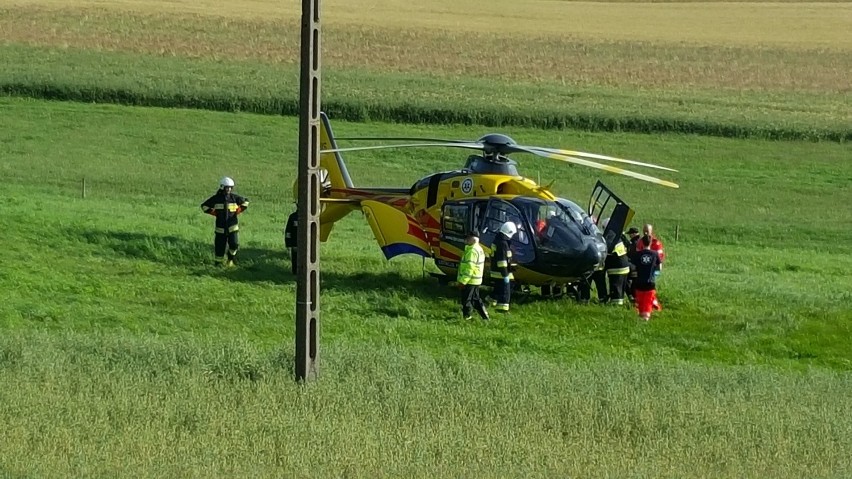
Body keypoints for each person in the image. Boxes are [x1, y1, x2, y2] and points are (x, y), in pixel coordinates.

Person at [200, 177, 249, 267]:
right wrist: (215, 213)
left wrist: (238, 210)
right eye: (227, 187)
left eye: (230, 187)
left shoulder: (234, 198)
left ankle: (230, 259)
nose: (229, 189)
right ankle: (218, 264)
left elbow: (246, 202)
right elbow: (204, 206)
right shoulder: (216, 198)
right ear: (222, 187)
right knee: (219, 248)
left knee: (234, 244)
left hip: (232, 226)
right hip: (220, 228)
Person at [457, 230, 489, 321]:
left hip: (470, 280)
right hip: (476, 280)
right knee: (476, 299)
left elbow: (469, 268)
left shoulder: (472, 251)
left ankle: (467, 317)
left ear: (473, 240)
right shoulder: (479, 249)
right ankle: (485, 316)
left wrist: (463, 281)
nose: (466, 240)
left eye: (468, 238)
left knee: (466, 300)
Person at [635, 223, 665, 310]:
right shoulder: (640, 241)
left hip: (653, 268)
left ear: (651, 231)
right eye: (644, 231)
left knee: (649, 285)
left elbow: (659, 257)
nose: (645, 233)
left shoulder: (656, 243)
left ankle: (651, 303)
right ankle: (647, 303)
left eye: (647, 231)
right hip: (643, 268)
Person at [490, 221, 518, 313]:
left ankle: (492, 300)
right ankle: (503, 308)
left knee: (498, 289)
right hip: (502, 272)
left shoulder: (498, 240)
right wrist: (505, 274)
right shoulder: (503, 244)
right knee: (506, 291)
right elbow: (502, 261)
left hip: (497, 271)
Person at [633, 233, 662, 321]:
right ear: (650, 243)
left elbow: (634, 267)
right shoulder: (655, 254)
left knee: (641, 301)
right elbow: (659, 268)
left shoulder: (637, 254)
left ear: (642, 243)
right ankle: (646, 318)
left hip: (639, 282)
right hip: (650, 281)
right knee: (648, 301)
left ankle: (642, 316)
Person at [605, 229, 631, 306]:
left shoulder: (609, 239)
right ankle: (623, 302)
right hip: (625, 266)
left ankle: (616, 305)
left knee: (616, 288)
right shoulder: (619, 237)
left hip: (616, 268)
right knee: (623, 286)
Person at [625, 226, 641, 302]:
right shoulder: (640, 241)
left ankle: (633, 298)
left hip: (633, 266)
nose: (629, 236)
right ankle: (635, 298)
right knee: (634, 283)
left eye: (630, 234)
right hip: (638, 266)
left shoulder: (634, 243)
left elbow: (631, 254)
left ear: (634, 234)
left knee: (628, 282)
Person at [284, 210, 298, 275]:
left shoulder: (309, 217)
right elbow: (288, 232)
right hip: (295, 244)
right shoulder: (293, 217)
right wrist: (289, 244)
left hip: (307, 245)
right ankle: (295, 273)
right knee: (295, 259)